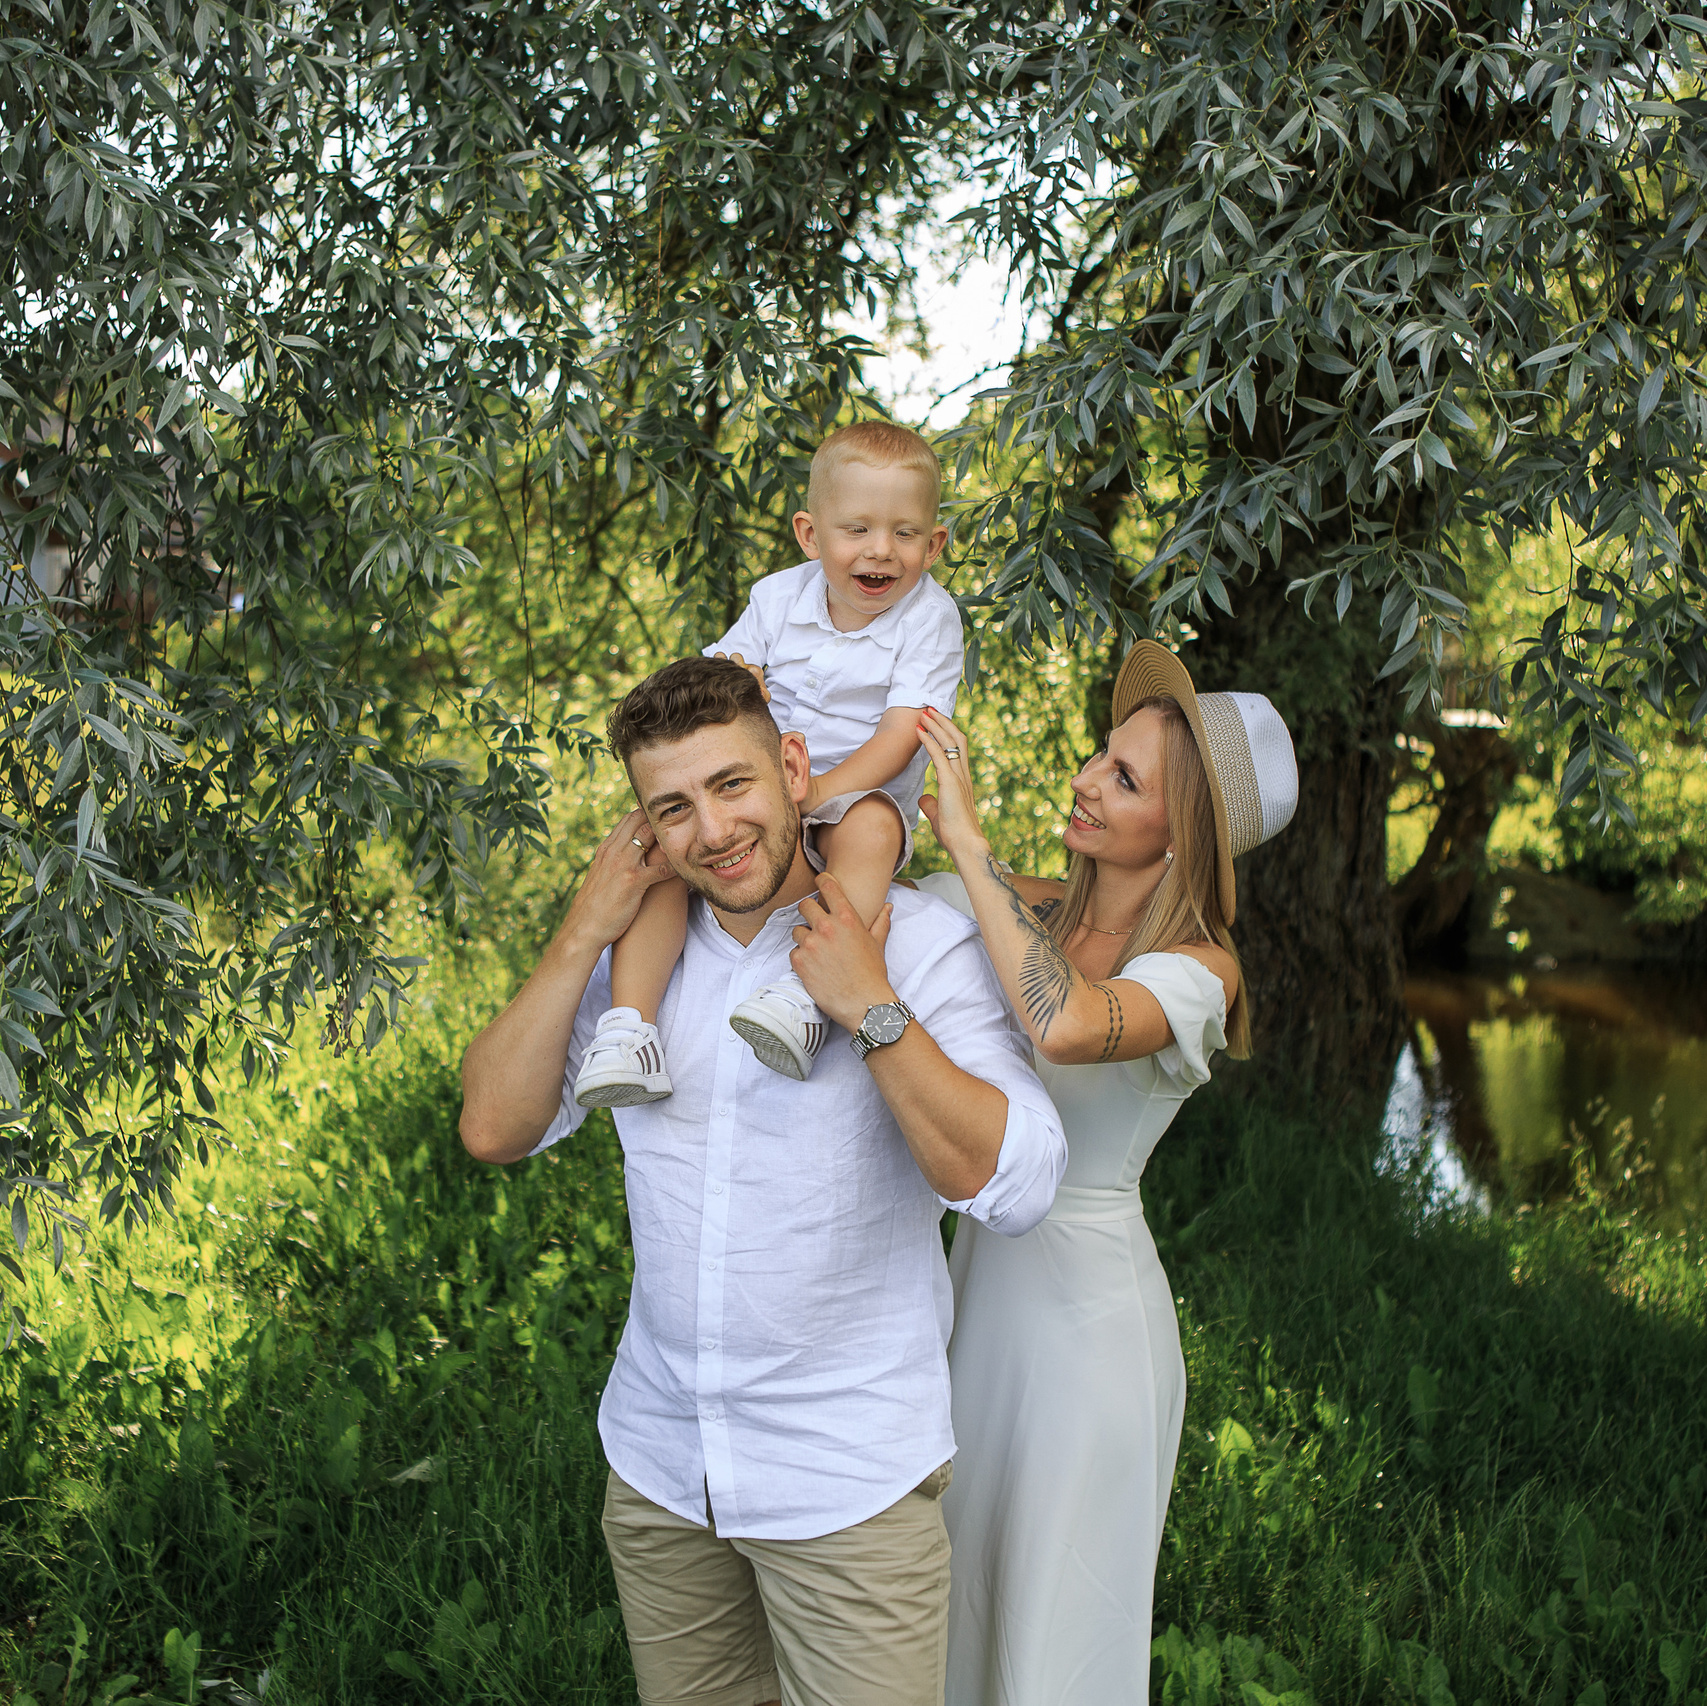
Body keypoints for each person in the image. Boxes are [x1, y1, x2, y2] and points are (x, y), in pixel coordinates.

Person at [459, 656, 1067, 1706]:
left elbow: (1018, 1180)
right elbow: (493, 1126)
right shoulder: (638, 970)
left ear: (793, 766)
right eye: (674, 806)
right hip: (661, 1470)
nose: (713, 829)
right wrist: (582, 929)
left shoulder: (919, 944)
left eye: (733, 784)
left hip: (848, 1484)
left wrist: (871, 1007)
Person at [909, 640, 1299, 1705]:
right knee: (954, 1590)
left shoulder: (1200, 972)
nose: (1085, 776)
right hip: (977, 1290)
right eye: (1101, 753)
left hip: (1085, 1332)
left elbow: (1066, 1022)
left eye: (1124, 779)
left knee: (1053, 1624)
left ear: (1183, 837)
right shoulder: (1030, 906)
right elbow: (913, 897)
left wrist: (971, 847)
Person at [572, 420, 964, 1105]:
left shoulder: (929, 618)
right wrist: (737, 679)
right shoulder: (776, 598)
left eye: (904, 534)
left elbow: (900, 736)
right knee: (669, 857)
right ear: (810, 536)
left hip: (857, 792)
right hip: (760, 785)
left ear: (933, 545)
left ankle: (802, 998)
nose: (881, 550)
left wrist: (812, 795)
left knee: (870, 830)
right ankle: (628, 1028)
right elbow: (730, 675)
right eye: (858, 530)